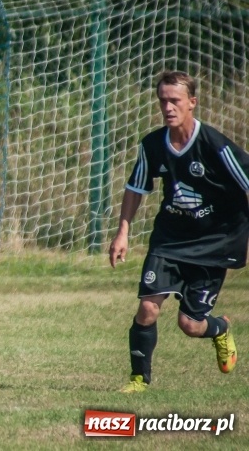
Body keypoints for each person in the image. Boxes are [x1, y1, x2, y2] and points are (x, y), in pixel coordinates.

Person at [109, 70, 245, 393]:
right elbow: (136, 187)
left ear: (192, 102)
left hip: (214, 242)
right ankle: (139, 379)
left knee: (190, 325)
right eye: (163, 101)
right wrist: (122, 232)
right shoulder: (153, 145)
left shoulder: (214, 145)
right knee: (147, 307)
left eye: (175, 100)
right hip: (169, 239)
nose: (168, 107)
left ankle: (220, 328)